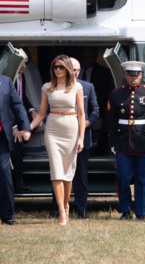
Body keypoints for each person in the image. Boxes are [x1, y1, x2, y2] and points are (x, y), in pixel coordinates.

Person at [30, 55, 85, 225]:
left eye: (61, 67)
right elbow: (41, 114)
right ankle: (61, 210)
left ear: (67, 68)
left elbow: (82, 114)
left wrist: (81, 138)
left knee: (68, 173)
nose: (58, 70)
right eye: (55, 67)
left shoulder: (77, 86)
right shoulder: (47, 87)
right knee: (56, 171)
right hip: (52, 128)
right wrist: (28, 128)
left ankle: (66, 205)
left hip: (71, 127)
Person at [107, 61, 145, 220]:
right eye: (130, 75)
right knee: (122, 178)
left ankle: (141, 212)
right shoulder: (116, 94)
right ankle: (125, 210)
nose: (134, 78)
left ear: (141, 75)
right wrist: (112, 143)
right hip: (122, 143)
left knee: (143, 179)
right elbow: (111, 121)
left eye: (137, 75)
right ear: (125, 75)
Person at [49, 57, 100, 219]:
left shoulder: (87, 86)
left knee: (81, 175)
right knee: (59, 172)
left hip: (81, 137)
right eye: (73, 69)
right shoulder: (54, 87)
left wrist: (85, 124)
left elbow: (95, 110)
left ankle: (81, 210)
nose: (76, 72)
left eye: (77, 69)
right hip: (61, 134)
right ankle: (57, 209)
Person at [0, 74, 31, 225]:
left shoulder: (5, 81)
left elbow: (17, 105)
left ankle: (7, 215)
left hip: (2, 137)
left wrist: (25, 126)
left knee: (4, 174)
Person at [78, 47, 114, 155]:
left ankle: (101, 148)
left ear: (95, 58)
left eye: (89, 57)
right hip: (75, 106)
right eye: (84, 57)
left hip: (97, 106)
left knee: (109, 115)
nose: (86, 60)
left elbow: (107, 94)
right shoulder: (73, 71)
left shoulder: (104, 72)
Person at [11, 56, 39, 193]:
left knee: (37, 122)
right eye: (22, 62)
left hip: (20, 116)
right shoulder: (9, 78)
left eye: (27, 63)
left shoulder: (23, 77)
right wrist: (13, 126)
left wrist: (32, 110)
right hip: (9, 120)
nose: (25, 66)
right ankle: (18, 183)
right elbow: (8, 103)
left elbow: (22, 99)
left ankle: (19, 181)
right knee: (16, 150)